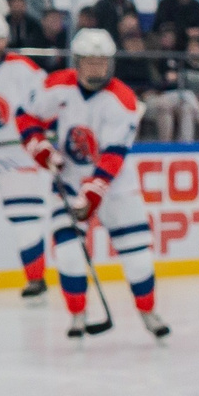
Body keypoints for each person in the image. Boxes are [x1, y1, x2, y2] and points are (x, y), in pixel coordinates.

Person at [29, 28, 166, 338]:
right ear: (77, 62)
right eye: (89, 62)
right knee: (67, 254)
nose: (96, 68)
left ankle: (148, 312)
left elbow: (112, 157)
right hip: (68, 182)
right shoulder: (57, 85)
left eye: (101, 62)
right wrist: (42, 149)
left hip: (115, 188)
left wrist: (92, 194)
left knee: (138, 258)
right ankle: (77, 316)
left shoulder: (124, 101)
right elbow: (27, 117)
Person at [0, 12, 52, 298]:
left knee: (27, 219)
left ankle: (36, 279)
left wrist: (42, 131)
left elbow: (46, 102)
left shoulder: (24, 68)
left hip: (15, 157)